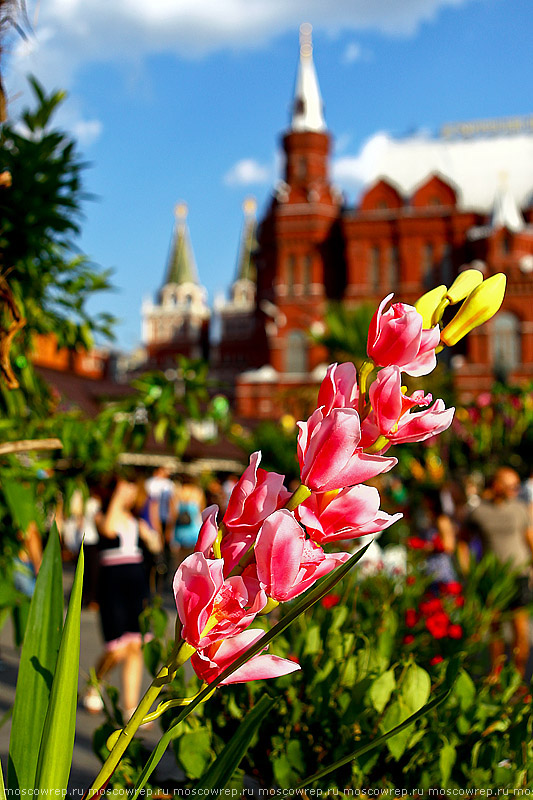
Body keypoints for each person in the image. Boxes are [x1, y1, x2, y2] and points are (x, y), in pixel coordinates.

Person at [83, 477, 161, 716]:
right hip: (112, 582)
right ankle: (95, 684)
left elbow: (157, 546)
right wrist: (118, 495)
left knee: (136, 645)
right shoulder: (100, 516)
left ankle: (130, 707)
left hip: (135, 582)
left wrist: (151, 528)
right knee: (116, 648)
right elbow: (108, 528)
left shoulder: (137, 522)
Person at [467, 467, 533, 678]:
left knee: (520, 630)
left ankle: (517, 678)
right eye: (510, 485)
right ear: (496, 485)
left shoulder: (520, 509)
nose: (515, 489)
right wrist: (467, 570)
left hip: (518, 575)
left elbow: (529, 538)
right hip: (492, 578)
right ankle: (494, 677)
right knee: (494, 629)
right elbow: (461, 540)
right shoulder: (479, 512)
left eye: (517, 485)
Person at [168, 478, 205, 567]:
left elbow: (173, 515)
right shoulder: (198, 493)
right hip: (195, 531)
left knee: (179, 564)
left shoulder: (177, 493)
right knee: (194, 563)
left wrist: (169, 532)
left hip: (180, 531)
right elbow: (201, 512)